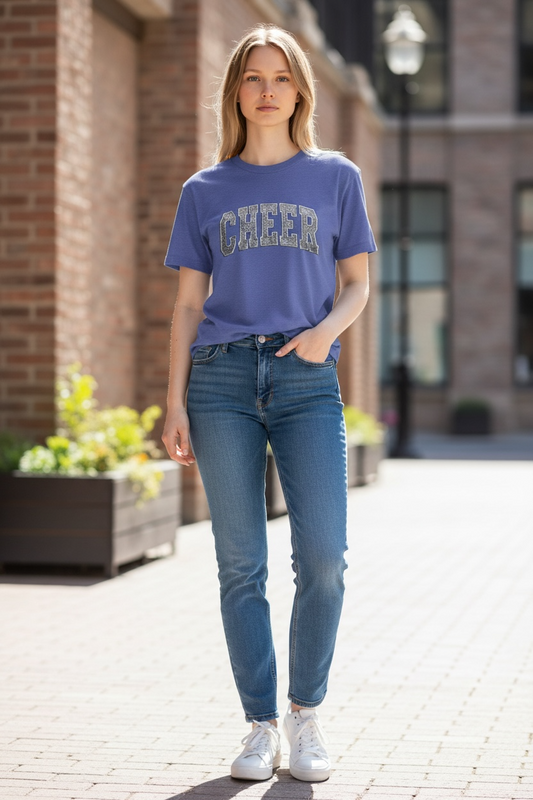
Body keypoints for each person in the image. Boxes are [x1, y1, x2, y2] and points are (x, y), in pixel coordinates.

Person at [162, 24, 377, 783]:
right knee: (239, 565)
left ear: (298, 91)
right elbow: (188, 305)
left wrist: (322, 335)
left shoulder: (334, 178)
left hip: (304, 380)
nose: (265, 90)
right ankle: (258, 725)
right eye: (251, 77)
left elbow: (357, 283)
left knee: (322, 559)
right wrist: (173, 401)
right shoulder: (204, 191)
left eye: (279, 77)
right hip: (218, 382)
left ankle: (304, 714)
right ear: (236, 93)